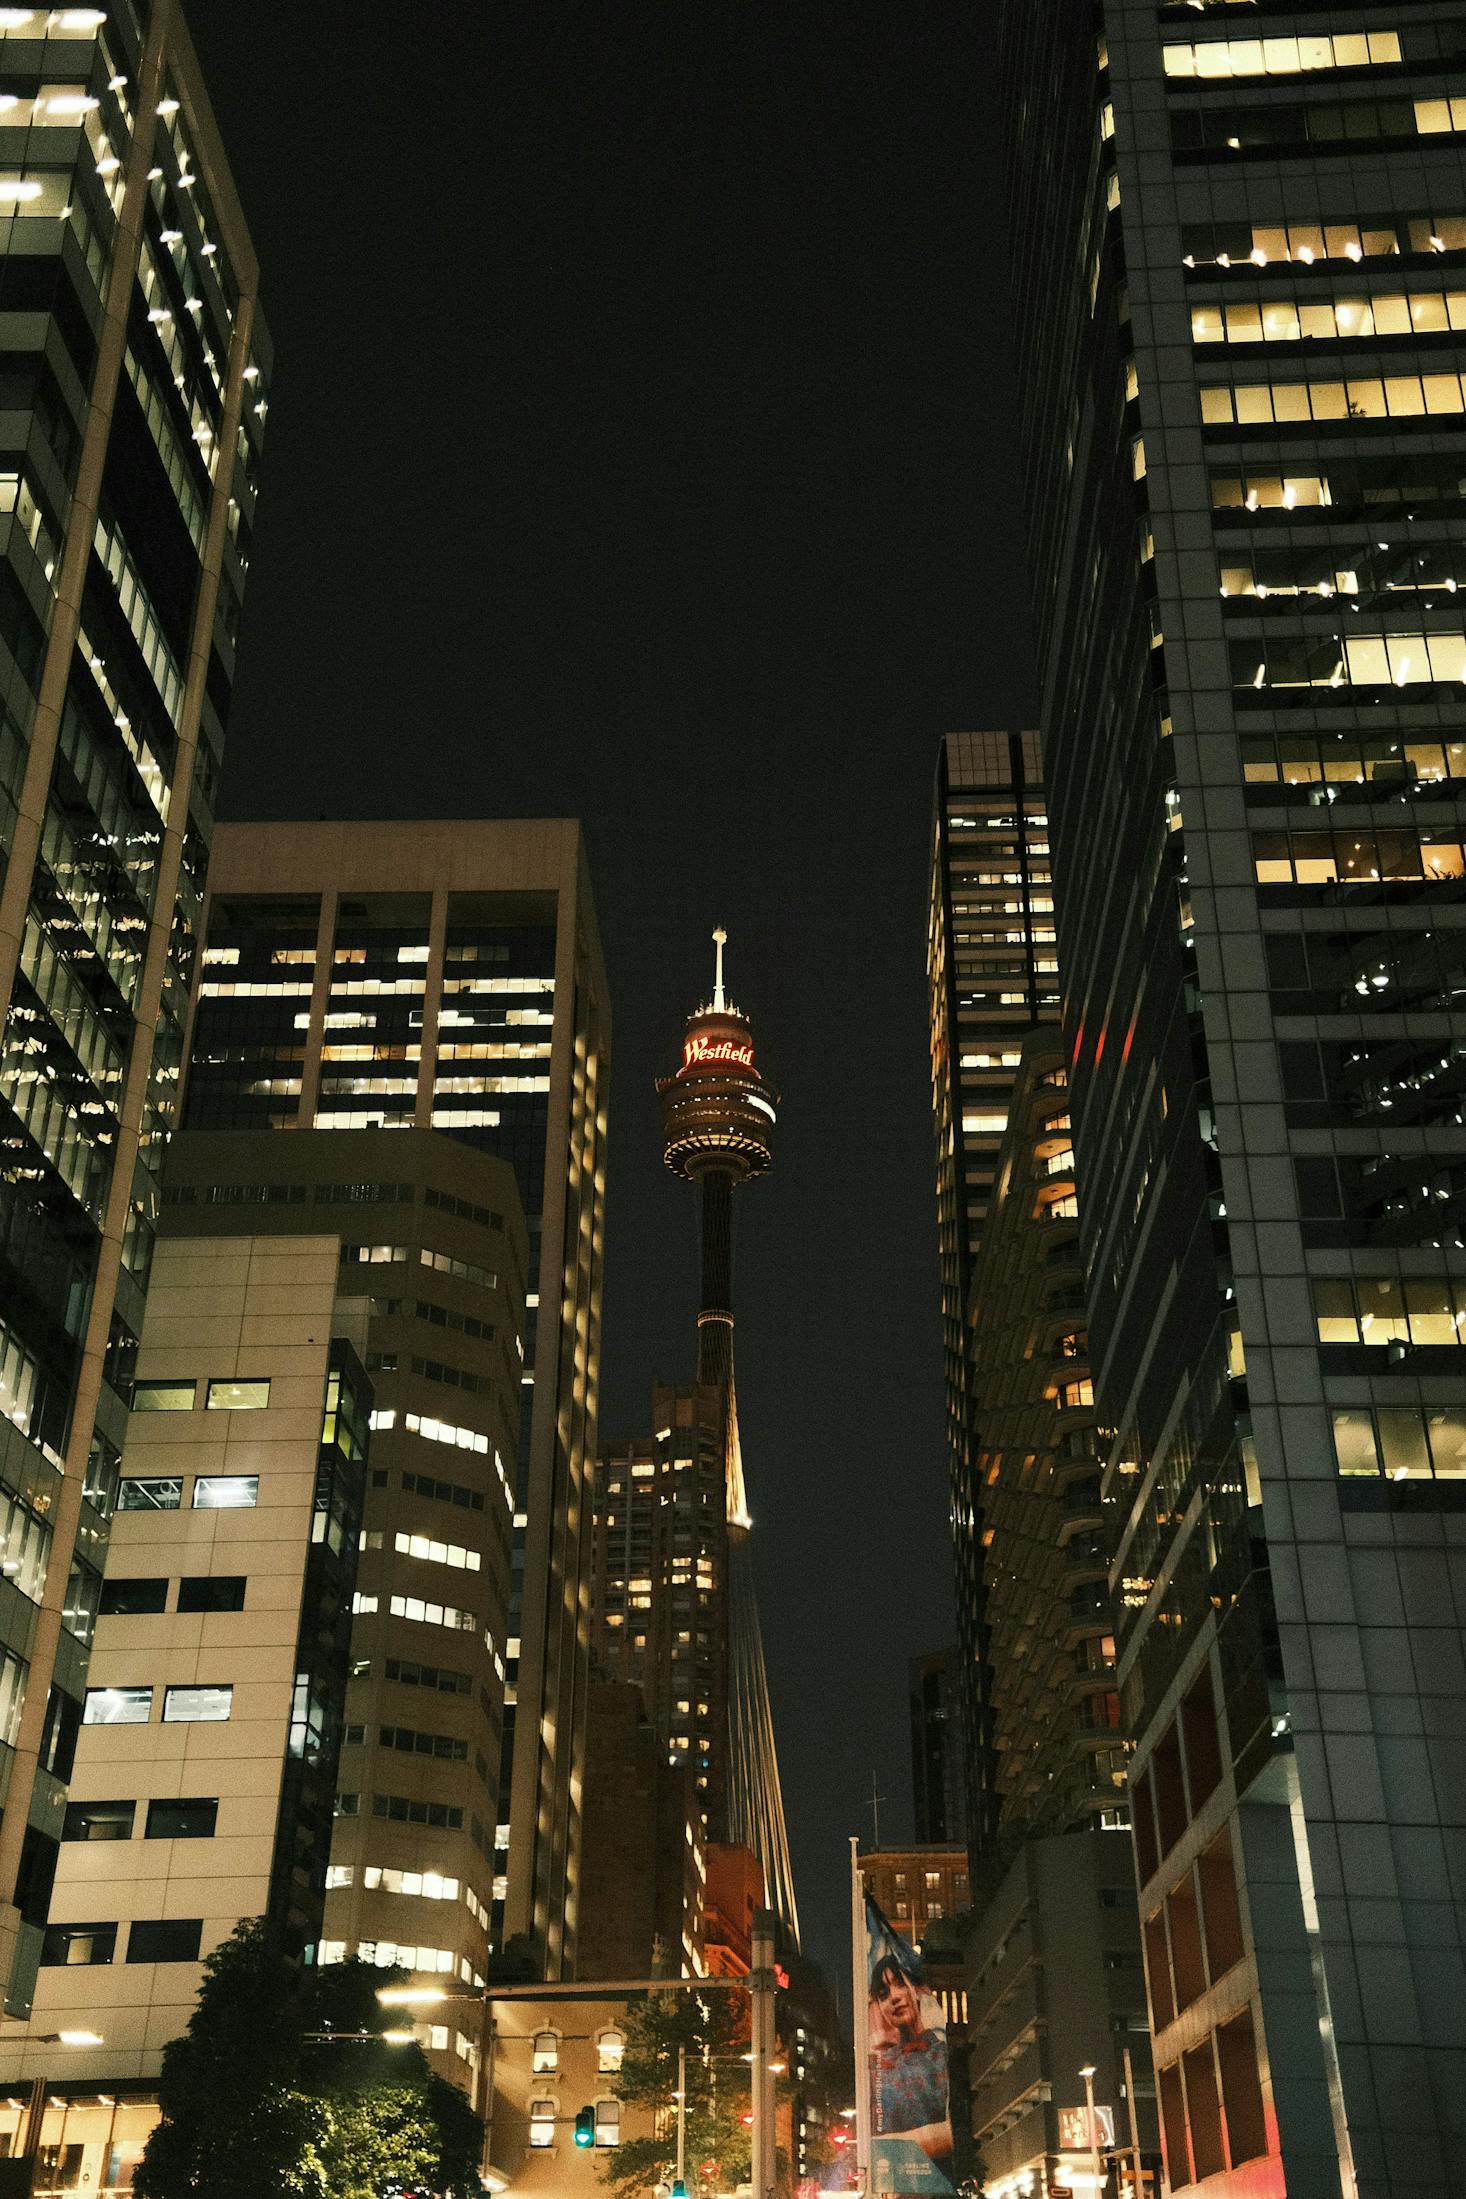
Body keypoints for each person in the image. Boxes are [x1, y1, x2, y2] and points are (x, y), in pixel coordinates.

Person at [869, 1952, 953, 2171]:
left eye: (900, 1984)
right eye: (883, 1994)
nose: (894, 1997)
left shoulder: (941, 2054)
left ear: (915, 1989)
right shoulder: (877, 2065)